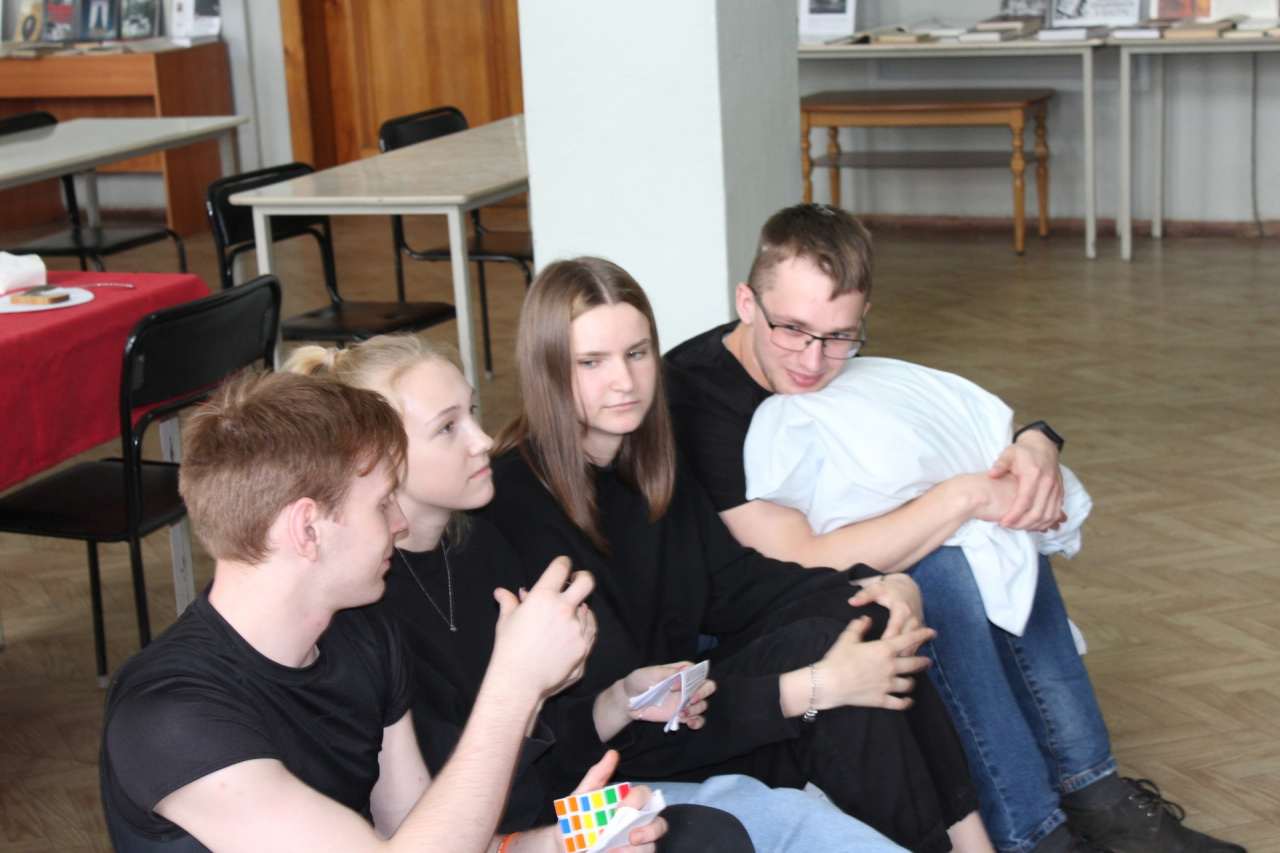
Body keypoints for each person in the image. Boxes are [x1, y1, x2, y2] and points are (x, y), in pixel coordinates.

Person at [663, 203, 1246, 853]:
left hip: (812, 574)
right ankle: (1033, 831)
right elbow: (795, 559)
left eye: (840, 336)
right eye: (793, 329)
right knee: (942, 563)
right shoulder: (698, 401)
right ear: (747, 303)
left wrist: (1033, 442)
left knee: (1003, 523)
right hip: (744, 614)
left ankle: (1095, 792)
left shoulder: (816, 353)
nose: (813, 357)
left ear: (862, 319)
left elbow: (926, 428)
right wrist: (966, 496)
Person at [285, 333, 907, 853]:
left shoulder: (480, 546)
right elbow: (444, 815)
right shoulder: (365, 604)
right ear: (378, 456)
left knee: (782, 815)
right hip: (511, 837)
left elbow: (552, 742)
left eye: (471, 412)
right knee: (719, 828)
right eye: (448, 427)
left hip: (567, 804)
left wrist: (617, 701)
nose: (482, 439)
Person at [481, 256, 995, 853]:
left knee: (863, 620)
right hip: (606, 766)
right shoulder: (515, 506)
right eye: (591, 362)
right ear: (545, 368)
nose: (623, 381)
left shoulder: (645, 466)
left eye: (637, 353)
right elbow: (605, 721)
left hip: (682, 708)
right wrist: (815, 686)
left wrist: (877, 582)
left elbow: (738, 582)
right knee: (833, 671)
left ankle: (972, 844)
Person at [98, 372, 690, 853]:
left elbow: (429, 836)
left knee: (697, 836)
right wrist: (514, 684)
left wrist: (560, 844)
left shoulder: (362, 630)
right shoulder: (171, 714)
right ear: (308, 529)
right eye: (382, 504)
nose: (400, 523)